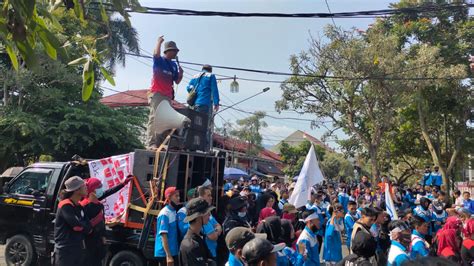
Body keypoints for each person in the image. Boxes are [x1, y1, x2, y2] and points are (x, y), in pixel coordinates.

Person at [80, 176, 133, 266]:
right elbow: (82, 226)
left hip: (99, 242)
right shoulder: (84, 206)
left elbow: (109, 192)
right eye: (99, 187)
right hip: (88, 243)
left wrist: (123, 183)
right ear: (93, 190)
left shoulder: (98, 203)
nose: (102, 189)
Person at [146, 36, 184, 150]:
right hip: (157, 93)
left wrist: (181, 74)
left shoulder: (173, 65)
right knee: (154, 117)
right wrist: (158, 42)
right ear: (168, 51)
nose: (175, 53)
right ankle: (151, 143)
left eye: (176, 51)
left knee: (164, 120)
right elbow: (155, 54)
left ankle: (159, 144)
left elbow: (176, 81)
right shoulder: (159, 61)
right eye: (174, 51)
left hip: (167, 96)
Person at [54, 176, 93, 266]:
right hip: (65, 250)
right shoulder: (65, 205)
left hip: (78, 248)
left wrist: (83, 225)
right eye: (84, 186)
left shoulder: (79, 206)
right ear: (76, 190)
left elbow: (89, 227)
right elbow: (77, 226)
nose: (86, 188)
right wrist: (84, 226)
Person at [179, 197, 215, 265]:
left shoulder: (199, 237)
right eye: (207, 212)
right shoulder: (190, 245)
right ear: (199, 216)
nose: (209, 215)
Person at [155, 187, 180, 266]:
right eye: (176, 196)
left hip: (173, 251)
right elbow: (164, 236)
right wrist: (168, 256)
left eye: (179, 196)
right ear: (169, 198)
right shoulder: (165, 213)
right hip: (165, 254)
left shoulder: (173, 211)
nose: (178, 198)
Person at [199, 186, 223, 259]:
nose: (211, 198)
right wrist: (216, 230)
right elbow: (213, 237)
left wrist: (215, 230)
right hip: (206, 254)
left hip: (213, 251)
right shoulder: (201, 214)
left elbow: (219, 226)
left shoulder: (208, 211)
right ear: (201, 197)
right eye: (208, 195)